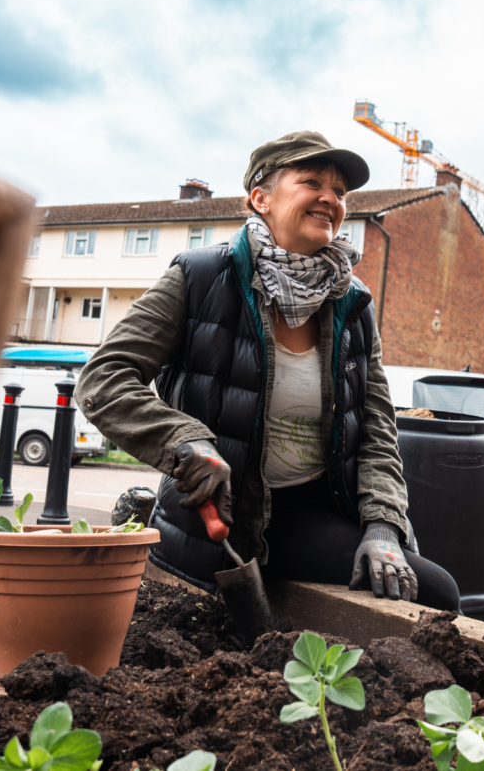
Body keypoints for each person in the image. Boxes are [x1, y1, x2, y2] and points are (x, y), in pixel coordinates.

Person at [76, 131, 460, 611]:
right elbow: (103, 378)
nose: (331, 199)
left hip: (315, 508)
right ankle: (153, 509)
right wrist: (182, 442)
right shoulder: (198, 278)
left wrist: (383, 525)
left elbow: (377, 429)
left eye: (340, 192)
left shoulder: (352, 302)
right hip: (224, 511)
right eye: (312, 182)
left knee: (436, 591)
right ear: (260, 198)